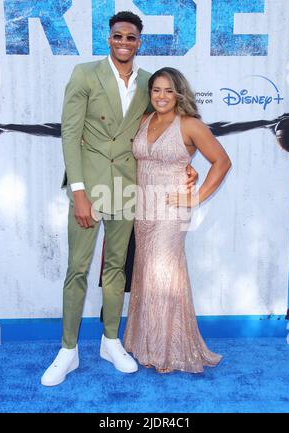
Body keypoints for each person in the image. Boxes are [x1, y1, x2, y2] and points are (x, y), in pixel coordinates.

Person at [41, 12, 197, 386]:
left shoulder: (148, 83)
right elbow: (70, 134)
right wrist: (78, 191)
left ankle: (110, 341)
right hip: (90, 188)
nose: (124, 41)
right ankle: (68, 350)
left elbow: (167, 126)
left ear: (139, 41)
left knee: (116, 270)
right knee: (77, 269)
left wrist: (187, 167)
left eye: (131, 36)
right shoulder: (84, 74)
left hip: (129, 188)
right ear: (108, 39)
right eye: (117, 35)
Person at [123, 67, 232, 373]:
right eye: (156, 90)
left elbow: (222, 162)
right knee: (146, 273)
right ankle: (146, 342)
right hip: (143, 210)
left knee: (163, 275)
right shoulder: (144, 121)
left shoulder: (190, 125)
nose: (161, 96)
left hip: (171, 210)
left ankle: (166, 351)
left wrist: (196, 196)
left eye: (168, 90)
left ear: (179, 93)